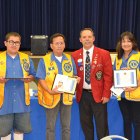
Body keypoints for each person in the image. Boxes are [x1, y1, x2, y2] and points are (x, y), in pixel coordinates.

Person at [72, 28, 113, 140]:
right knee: (86, 125)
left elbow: (108, 76)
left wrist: (106, 94)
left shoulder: (104, 53)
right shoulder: (74, 55)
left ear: (93, 38)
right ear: (80, 39)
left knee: (102, 125)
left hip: (99, 95)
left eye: (89, 37)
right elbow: (72, 75)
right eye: (84, 37)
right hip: (82, 95)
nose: (87, 39)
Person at [36, 33, 79, 140]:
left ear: (64, 45)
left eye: (61, 43)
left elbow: (74, 75)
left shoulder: (69, 59)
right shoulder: (45, 60)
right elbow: (40, 79)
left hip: (66, 98)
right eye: (56, 43)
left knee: (66, 127)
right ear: (51, 46)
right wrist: (50, 91)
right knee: (50, 127)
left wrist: (76, 80)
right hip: (51, 97)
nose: (59, 46)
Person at [0, 32, 36, 140]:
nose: (14, 44)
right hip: (4, 102)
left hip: (22, 102)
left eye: (17, 42)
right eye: (11, 42)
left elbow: (33, 74)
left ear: (20, 44)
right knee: (4, 132)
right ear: (5, 43)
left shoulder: (26, 58)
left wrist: (29, 78)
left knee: (19, 130)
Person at [113, 31, 140, 140]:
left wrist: (135, 86)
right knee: (126, 120)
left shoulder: (138, 56)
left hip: (136, 96)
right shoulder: (118, 58)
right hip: (122, 96)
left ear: (133, 43)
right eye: (123, 41)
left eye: (129, 41)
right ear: (120, 43)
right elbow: (115, 75)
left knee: (137, 122)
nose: (126, 44)